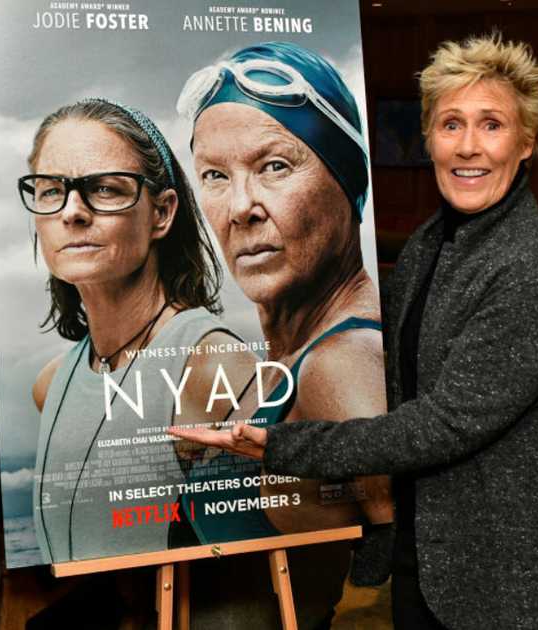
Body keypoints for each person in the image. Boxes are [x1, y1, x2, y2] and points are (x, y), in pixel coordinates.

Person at [172, 33, 538, 630]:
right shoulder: (433, 242)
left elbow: (443, 424)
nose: (468, 147)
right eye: (451, 125)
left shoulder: (534, 265)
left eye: (492, 125)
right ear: (427, 137)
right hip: (433, 554)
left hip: (512, 570)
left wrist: (271, 445)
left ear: (526, 142)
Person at [172, 41, 395, 629]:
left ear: (348, 183)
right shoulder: (294, 351)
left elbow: (409, 548)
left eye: (275, 166)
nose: (241, 207)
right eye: (215, 176)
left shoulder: (343, 360)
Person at [23, 97, 255, 564]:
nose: (73, 212)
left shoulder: (209, 363)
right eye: (50, 191)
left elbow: (294, 542)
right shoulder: (51, 384)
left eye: (105, 189)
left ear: (162, 213)